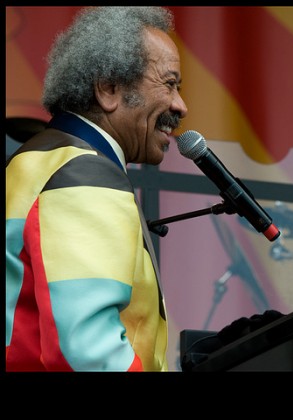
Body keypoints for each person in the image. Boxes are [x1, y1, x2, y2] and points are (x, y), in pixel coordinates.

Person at [5, 6, 188, 371]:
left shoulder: (34, 161)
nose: (180, 106)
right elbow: (88, 352)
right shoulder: (85, 172)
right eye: (169, 84)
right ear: (108, 89)